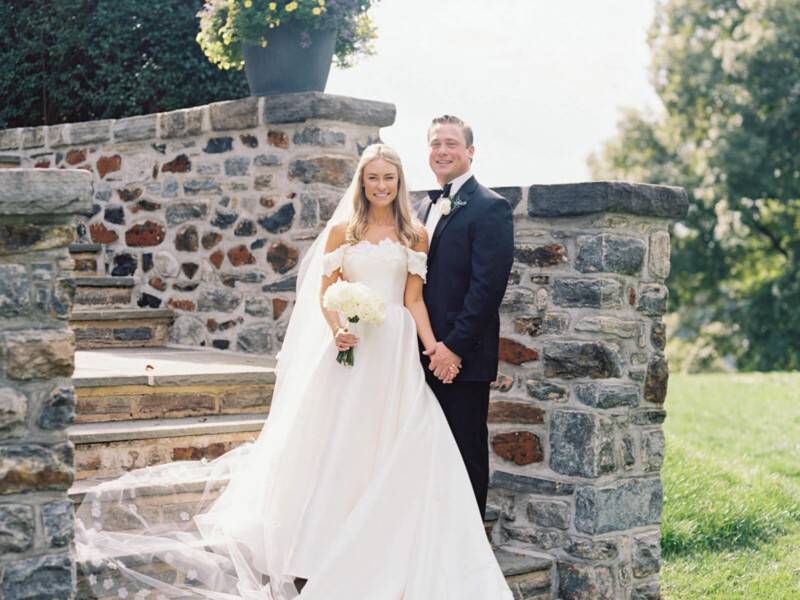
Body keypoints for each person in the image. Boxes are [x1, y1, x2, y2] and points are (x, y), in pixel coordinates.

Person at [75, 144, 513, 600]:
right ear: (362, 183)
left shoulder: (415, 234)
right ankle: (321, 543)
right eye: (373, 178)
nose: (381, 186)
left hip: (395, 349)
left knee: (398, 435)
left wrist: (435, 347)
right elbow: (327, 294)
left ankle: (386, 539)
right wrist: (338, 329)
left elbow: (414, 300)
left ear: (400, 182)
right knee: (341, 440)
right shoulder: (343, 230)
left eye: (389, 178)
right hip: (352, 348)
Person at [415, 115, 515, 518]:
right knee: (422, 454)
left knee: (463, 453)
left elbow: (487, 288)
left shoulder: (491, 208)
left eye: (451, 143)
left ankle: (470, 543)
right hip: (418, 354)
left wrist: (453, 349)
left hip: (461, 361)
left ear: (470, 152)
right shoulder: (420, 207)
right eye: (435, 143)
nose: (442, 151)